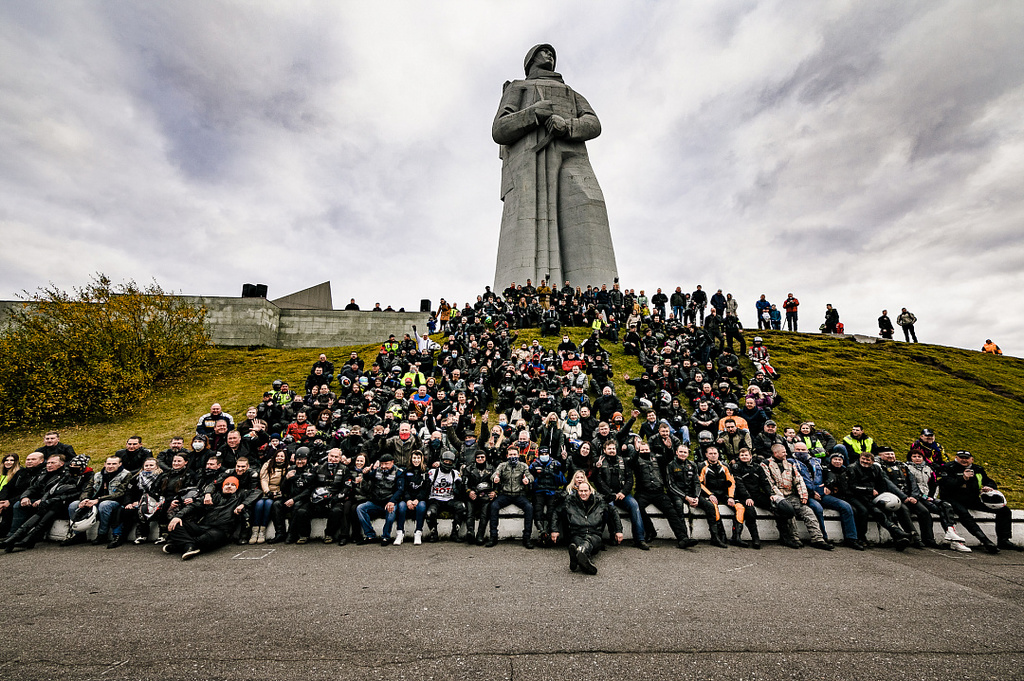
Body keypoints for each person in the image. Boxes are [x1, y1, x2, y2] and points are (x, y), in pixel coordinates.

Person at [492, 44, 617, 290]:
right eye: (544, 52)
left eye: (552, 53)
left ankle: (591, 291)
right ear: (531, 60)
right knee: (529, 223)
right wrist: (533, 114)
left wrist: (567, 125)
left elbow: (594, 123)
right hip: (529, 164)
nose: (550, 55)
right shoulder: (519, 87)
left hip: (572, 157)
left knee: (589, 204)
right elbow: (500, 129)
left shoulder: (570, 93)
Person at [938, 450, 1021, 553]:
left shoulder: (977, 469)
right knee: (965, 515)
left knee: (1004, 510)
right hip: (953, 498)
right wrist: (963, 478)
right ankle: (985, 541)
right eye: (961, 458)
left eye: (966, 458)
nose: (964, 460)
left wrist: (989, 487)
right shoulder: (948, 467)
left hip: (973, 498)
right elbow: (946, 485)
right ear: (956, 457)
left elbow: (989, 481)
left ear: (972, 459)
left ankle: (1004, 540)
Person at [761, 444, 832, 550]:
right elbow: (769, 483)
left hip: (791, 494)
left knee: (808, 511)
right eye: (783, 452)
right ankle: (794, 538)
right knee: (789, 512)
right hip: (777, 496)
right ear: (775, 453)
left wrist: (804, 495)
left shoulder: (790, 463)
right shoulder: (766, 464)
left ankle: (818, 539)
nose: (786, 454)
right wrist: (780, 497)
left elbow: (798, 480)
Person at [632, 441, 698, 549]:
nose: (644, 451)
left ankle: (683, 538)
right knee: (638, 508)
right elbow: (631, 462)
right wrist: (636, 451)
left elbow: (668, 458)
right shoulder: (636, 460)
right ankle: (651, 531)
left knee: (671, 511)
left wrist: (668, 448)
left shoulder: (657, 459)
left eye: (646, 449)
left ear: (650, 449)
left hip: (659, 492)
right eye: (642, 450)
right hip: (642, 493)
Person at [164, 476, 246, 560]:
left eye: (233, 485)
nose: (229, 486)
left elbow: (257, 492)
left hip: (221, 531)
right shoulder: (213, 496)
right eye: (227, 484)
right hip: (203, 526)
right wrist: (178, 516)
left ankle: (180, 545)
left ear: (237, 488)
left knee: (208, 538)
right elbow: (192, 506)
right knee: (174, 524)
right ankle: (188, 546)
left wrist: (243, 505)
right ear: (222, 486)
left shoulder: (240, 497)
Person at [62, 455, 132, 548]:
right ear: (105, 464)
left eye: (114, 464)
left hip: (114, 501)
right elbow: (88, 489)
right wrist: (84, 499)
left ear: (120, 464)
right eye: (108, 464)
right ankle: (78, 534)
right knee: (73, 505)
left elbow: (120, 493)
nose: (110, 466)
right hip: (94, 500)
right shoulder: (97, 475)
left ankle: (102, 534)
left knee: (104, 505)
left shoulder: (126, 474)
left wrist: (98, 500)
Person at [552, 480, 611, 575]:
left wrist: (618, 531)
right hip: (577, 534)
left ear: (590, 491)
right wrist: (554, 530)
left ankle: (577, 556)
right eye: (581, 491)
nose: (583, 493)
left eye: (585, 491)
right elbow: (556, 512)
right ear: (577, 491)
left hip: (595, 535)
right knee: (581, 546)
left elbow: (613, 511)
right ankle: (583, 559)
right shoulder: (570, 501)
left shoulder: (598, 501)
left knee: (587, 541)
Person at [486, 445, 535, 549]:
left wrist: (528, 480)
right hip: (505, 494)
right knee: (494, 506)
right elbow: (494, 475)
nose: (513, 456)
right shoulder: (502, 465)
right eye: (511, 454)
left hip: (519, 495)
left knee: (529, 508)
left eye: (514, 454)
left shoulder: (523, 466)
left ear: (518, 455)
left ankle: (527, 537)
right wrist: (495, 478)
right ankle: (493, 536)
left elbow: (531, 476)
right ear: (507, 455)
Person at [356, 454, 404, 545]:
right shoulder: (377, 470)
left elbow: (400, 490)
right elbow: (369, 477)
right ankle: (370, 535)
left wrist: (392, 501)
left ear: (392, 463)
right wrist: (365, 473)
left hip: (389, 501)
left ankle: (386, 537)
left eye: (386, 464)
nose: (384, 466)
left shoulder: (399, 472)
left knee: (390, 515)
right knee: (360, 508)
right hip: (376, 501)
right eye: (382, 464)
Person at [424, 450, 467, 543]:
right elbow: (426, 487)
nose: (447, 464)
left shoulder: (455, 473)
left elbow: (460, 488)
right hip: (435, 499)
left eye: (450, 462)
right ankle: (433, 533)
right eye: (445, 461)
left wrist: (459, 483)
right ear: (441, 461)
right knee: (430, 513)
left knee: (461, 507)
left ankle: (455, 533)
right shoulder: (433, 472)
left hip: (449, 499)